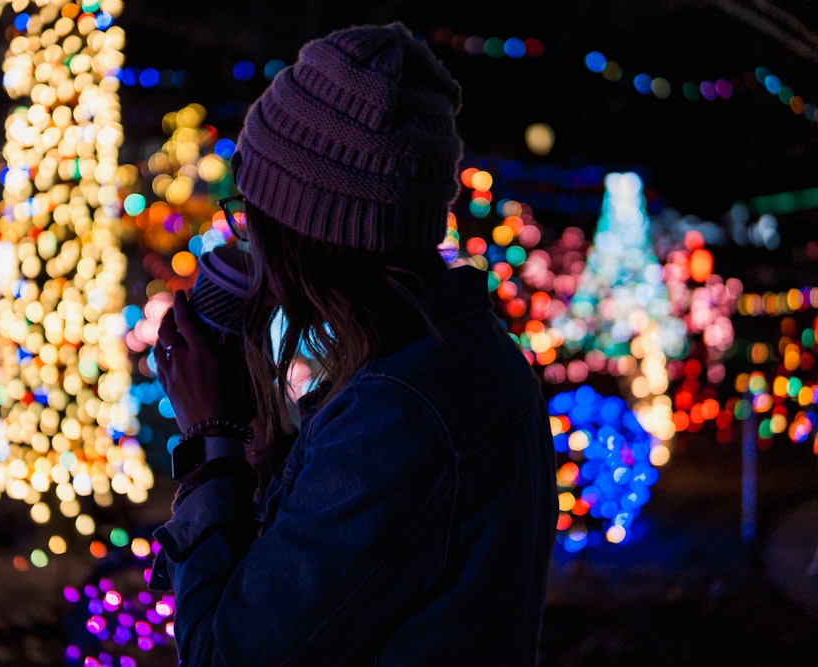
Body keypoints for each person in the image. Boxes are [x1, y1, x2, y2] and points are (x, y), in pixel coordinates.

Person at [150, 21, 557, 666]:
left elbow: (222, 655)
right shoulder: (463, 358)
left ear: (303, 234)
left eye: (251, 216)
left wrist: (212, 438)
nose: (245, 241)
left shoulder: (396, 415)